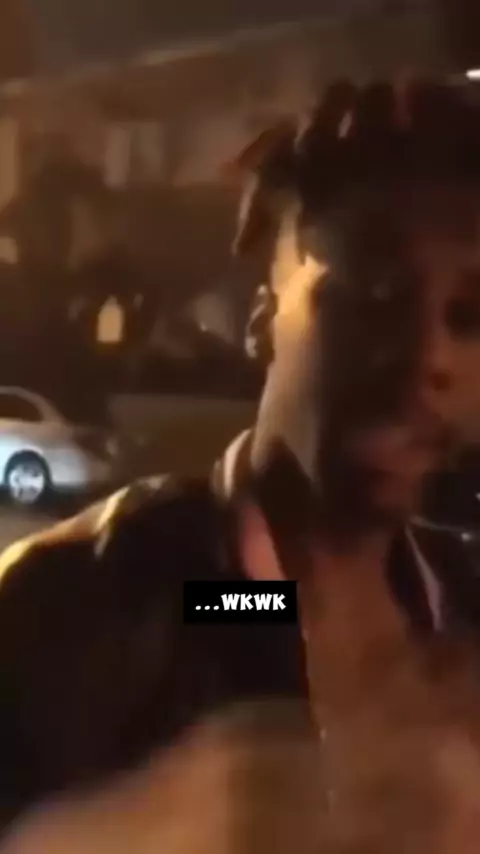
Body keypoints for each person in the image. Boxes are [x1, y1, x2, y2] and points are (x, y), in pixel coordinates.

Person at [1, 75, 480, 836]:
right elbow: (231, 602)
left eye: (470, 316)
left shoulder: (462, 606)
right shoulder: (83, 602)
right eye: (376, 293)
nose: (431, 355)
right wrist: (111, 830)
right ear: (263, 321)